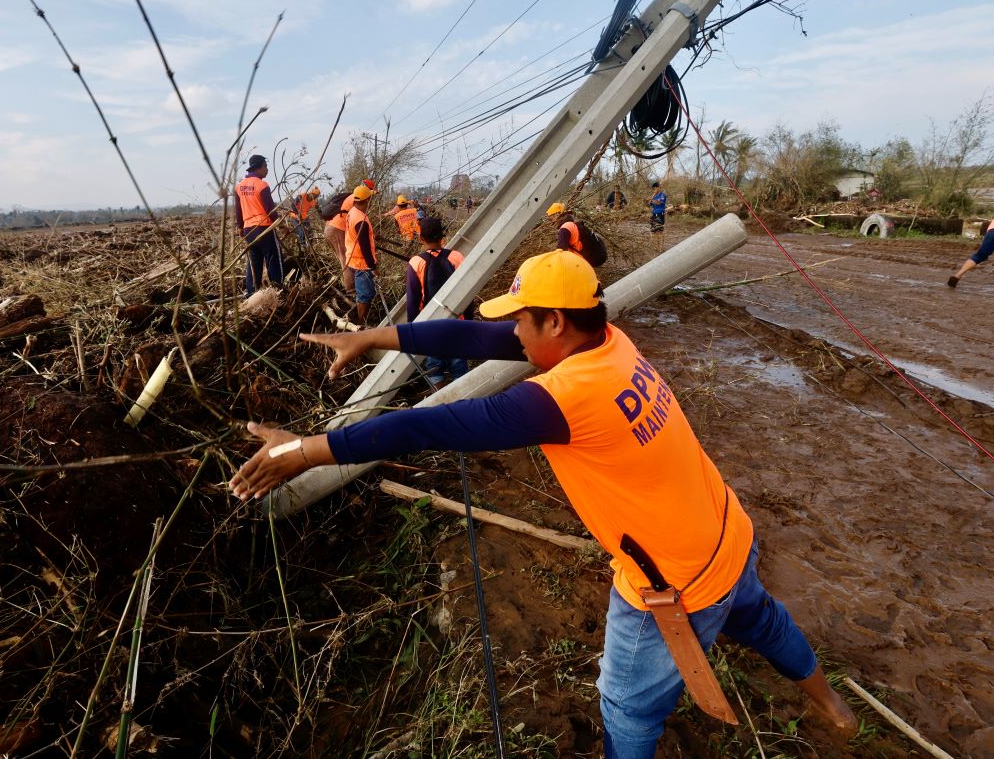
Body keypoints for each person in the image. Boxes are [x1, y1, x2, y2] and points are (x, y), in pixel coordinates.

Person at [230, 250, 857, 756]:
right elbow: (474, 335)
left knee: (628, 709)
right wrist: (374, 336)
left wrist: (303, 450)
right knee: (763, 619)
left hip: (673, 583)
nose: (513, 332)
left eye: (521, 319)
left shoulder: (563, 397)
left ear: (553, 322)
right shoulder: (609, 341)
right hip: (725, 531)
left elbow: (423, 428)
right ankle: (832, 704)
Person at [405, 217, 467, 386]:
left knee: (434, 368)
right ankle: (461, 401)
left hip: (429, 325)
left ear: (421, 238)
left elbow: (413, 301)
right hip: (456, 324)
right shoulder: (457, 257)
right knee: (459, 367)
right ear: (442, 236)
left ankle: (438, 401)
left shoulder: (416, 262)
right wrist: (469, 321)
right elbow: (467, 292)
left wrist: (413, 330)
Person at [234, 155, 284, 293]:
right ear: (259, 167)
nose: (267, 170)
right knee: (274, 259)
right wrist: (280, 224)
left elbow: (238, 211)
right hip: (264, 228)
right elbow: (270, 209)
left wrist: (240, 227)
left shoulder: (239, 187)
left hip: (249, 230)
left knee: (253, 263)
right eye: (265, 167)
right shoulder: (262, 185)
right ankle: (277, 291)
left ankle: (251, 292)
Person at [325, 180, 374, 292]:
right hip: (336, 229)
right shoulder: (357, 199)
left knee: (345, 256)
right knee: (345, 258)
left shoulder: (354, 198)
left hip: (334, 228)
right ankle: (350, 288)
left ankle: (352, 286)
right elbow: (358, 222)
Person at [343, 183, 378, 325]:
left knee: (364, 294)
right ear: (366, 201)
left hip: (353, 259)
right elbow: (364, 247)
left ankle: (361, 320)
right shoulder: (360, 220)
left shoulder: (352, 212)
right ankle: (361, 324)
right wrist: (373, 266)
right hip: (361, 263)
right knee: (365, 296)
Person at [648, 181, 668, 253]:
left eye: (656, 188)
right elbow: (649, 204)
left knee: (660, 231)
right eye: (654, 188)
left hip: (660, 214)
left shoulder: (663, 195)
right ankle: (656, 247)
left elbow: (659, 202)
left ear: (659, 187)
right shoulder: (654, 196)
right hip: (653, 214)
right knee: (653, 231)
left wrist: (651, 200)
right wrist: (649, 200)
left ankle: (661, 248)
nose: (655, 190)